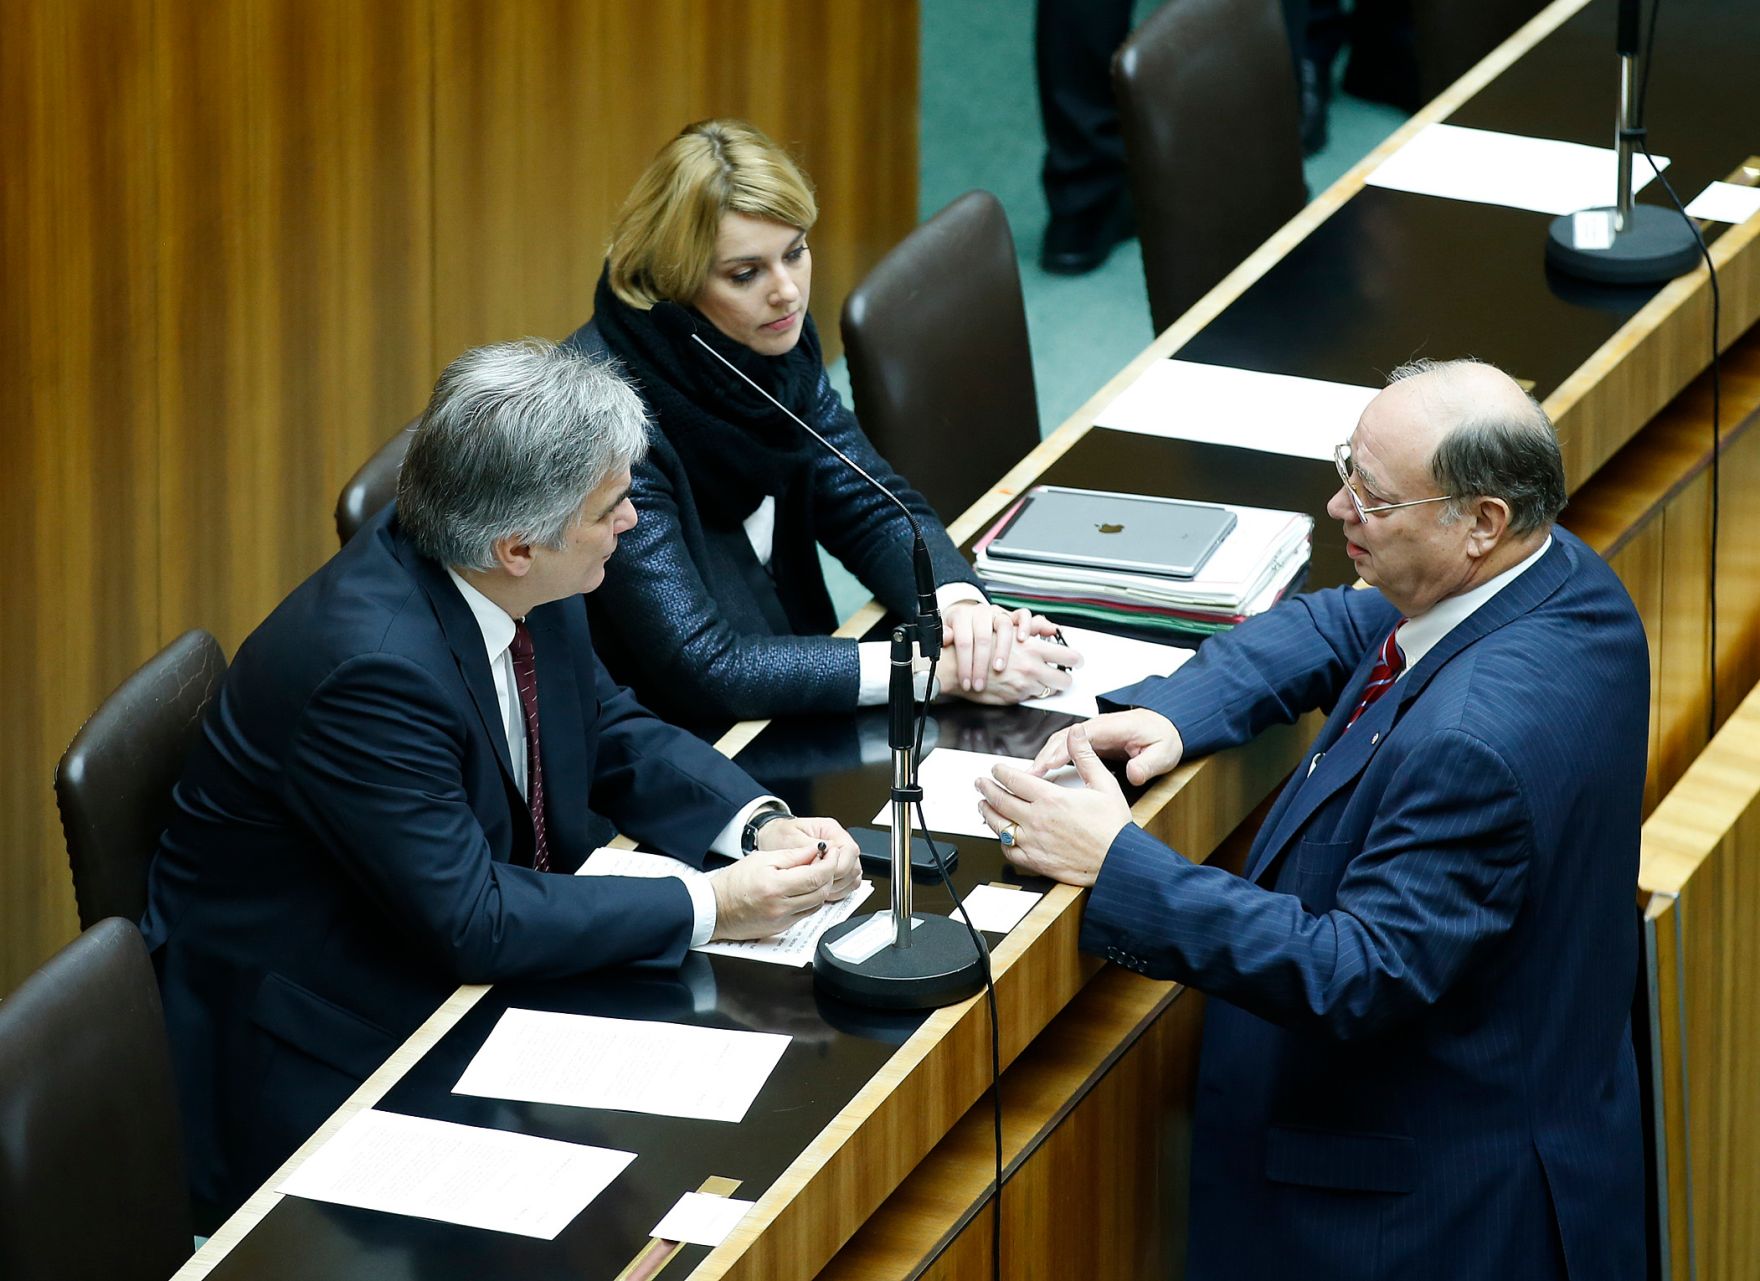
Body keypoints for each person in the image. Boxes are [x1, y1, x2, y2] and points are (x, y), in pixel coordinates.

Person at [140, 339, 863, 1220]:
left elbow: (603, 723)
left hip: (458, 944)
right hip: (330, 1035)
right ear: (518, 546)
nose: (632, 522)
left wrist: (752, 826)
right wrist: (716, 903)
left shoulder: (504, 568)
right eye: (611, 508)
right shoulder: (371, 672)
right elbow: (473, 921)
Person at [975, 358, 1646, 1278]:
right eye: (1347, 473)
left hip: (1425, 1215)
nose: (1338, 510)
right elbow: (1349, 624)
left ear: (1481, 522)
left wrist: (1119, 862)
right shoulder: (1564, 578)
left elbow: (1357, 972)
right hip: (1533, 1096)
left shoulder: (1475, 743)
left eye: (1370, 497)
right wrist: (1182, 710)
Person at [562, 119, 1079, 730]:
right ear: (675, 285)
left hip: (791, 676)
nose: (787, 293)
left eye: (795, 251)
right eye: (745, 273)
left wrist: (961, 612)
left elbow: (868, 502)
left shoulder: (770, 347)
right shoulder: (602, 422)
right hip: (682, 743)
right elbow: (705, 667)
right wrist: (930, 673)